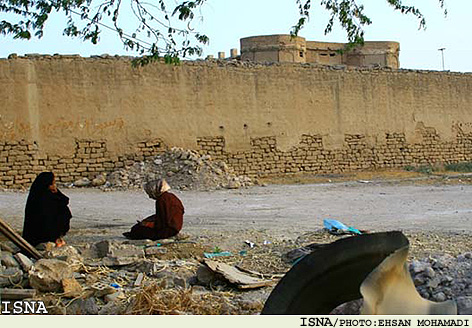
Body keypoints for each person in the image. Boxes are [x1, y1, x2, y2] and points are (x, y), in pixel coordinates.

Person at [22, 172, 72, 247]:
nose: (54, 185)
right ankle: (53, 238)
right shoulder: (41, 196)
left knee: (64, 210)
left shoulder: (49, 191)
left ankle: (56, 237)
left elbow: (65, 200)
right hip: (40, 229)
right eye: (52, 183)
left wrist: (57, 192)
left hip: (47, 225)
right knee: (62, 212)